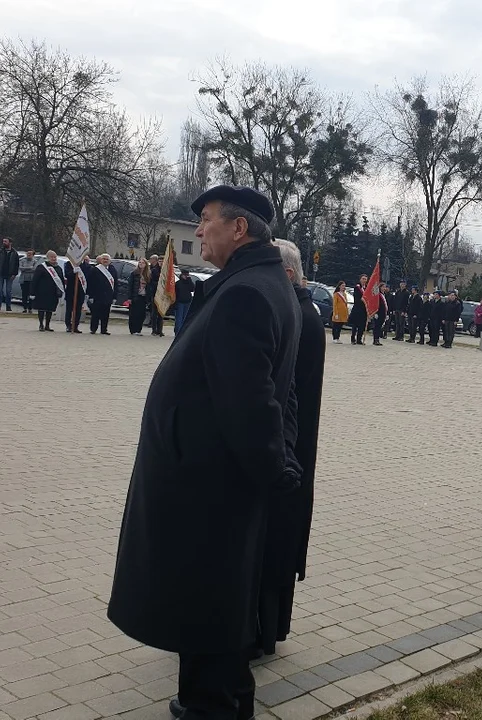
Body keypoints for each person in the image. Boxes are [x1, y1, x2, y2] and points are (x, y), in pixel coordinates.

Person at [108, 185, 301, 720]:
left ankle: (211, 706)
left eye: (207, 220)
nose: (198, 231)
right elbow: (275, 393)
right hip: (213, 484)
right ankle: (220, 698)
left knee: (207, 607)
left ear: (239, 229)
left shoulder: (245, 292)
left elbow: (253, 403)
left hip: (210, 489)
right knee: (213, 608)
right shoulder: (258, 282)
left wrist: (274, 470)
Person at [257, 240, 326, 657]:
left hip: (290, 452)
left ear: (285, 274)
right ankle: (270, 628)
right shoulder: (303, 312)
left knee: (276, 544)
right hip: (295, 449)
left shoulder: (297, 317)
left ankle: (264, 631)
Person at [30, 250, 65, 331]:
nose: (54, 258)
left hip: (53, 293)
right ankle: (41, 324)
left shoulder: (58, 268)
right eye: (52, 257)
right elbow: (35, 280)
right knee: (41, 309)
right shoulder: (41, 267)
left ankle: (47, 325)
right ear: (47, 258)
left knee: (50, 309)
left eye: (55, 257)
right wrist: (32, 292)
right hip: (42, 292)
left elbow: (61, 280)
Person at [88, 254, 118, 335]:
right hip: (97, 295)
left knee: (106, 314)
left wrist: (114, 296)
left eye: (107, 259)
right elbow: (91, 283)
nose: (105, 260)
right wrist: (90, 296)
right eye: (104, 259)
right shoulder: (95, 270)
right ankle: (93, 329)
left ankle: (104, 330)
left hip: (108, 296)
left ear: (110, 261)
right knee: (95, 314)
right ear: (101, 260)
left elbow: (115, 284)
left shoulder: (113, 270)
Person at [64, 257, 89, 333]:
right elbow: (67, 275)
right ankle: (68, 325)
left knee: (78, 310)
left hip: (81, 291)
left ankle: (75, 326)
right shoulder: (69, 264)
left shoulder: (85, 266)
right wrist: (73, 271)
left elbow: (87, 277)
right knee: (69, 310)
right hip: (71, 291)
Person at [128, 258, 150, 335]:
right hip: (135, 296)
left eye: (143, 263)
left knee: (141, 314)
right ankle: (133, 330)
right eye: (140, 262)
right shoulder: (134, 273)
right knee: (134, 314)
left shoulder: (148, 274)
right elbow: (130, 286)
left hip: (143, 297)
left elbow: (149, 287)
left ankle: (138, 330)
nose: (141, 264)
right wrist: (129, 297)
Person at [147, 255, 164, 336]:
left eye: (162, 261)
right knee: (154, 313)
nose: (161, 263)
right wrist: (159, 284)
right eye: (160, 261)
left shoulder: (166, 271)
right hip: (155, 294)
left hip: (163, 295)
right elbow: (151, 282)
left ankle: (160, 330)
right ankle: (154, 330)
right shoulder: (154, 270)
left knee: (161, 313)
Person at [174, 270, 195, 335]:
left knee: (185, 318)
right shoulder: (178, 283)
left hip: (187, 302)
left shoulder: (189, 283)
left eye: (187, 275)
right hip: (180, 302)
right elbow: (175, 293)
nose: (186, 277)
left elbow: (192, 288)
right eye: (185, 275)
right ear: (182, 275)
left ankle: (183, 333)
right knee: (179, 319)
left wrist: (189, 280)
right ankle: (178, 332)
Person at [349, 274, 368, 345]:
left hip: (364, 309)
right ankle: (353, 338)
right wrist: (363, 301)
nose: (364, 280)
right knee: (355, 325)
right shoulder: (357, 287)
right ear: (360, 279)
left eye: (365, 279)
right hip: (357, 308)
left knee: (362, 325)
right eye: (363, 279)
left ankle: (359, 339)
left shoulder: (366, 288)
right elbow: (356, 299)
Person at [18, 249, 38, 313]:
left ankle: (30, 308)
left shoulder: (35, 261)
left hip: (31, 279)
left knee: (31, 294)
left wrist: (26, 268)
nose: (29, 255)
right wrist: (29, 268)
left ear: (33, 255)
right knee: (24, 294)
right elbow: (21, 268)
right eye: (28, 253)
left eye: (30, 254)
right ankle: (24, 308)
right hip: (23, 279)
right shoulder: (22, 260)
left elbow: (34, 269)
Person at [371, 281, 389, 345]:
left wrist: (387, 313)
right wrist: (375, 313)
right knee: (377, 327)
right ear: (380, 287)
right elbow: (376, 304)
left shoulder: (384, 295)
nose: (384, 288)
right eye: (383, 287)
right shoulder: (378, 295)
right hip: (378, 313)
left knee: (380, 327)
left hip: (383, 313)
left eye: (385, 287)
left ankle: (377, 339)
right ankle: (375, 339)